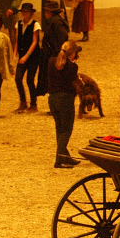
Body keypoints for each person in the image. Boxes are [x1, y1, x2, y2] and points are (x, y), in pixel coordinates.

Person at [48, 40, 83, 168]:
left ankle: (66, 156)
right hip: (65, 100)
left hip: (52, 99)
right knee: (66, 130)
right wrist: (73, 62)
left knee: (59, 128)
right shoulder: (72, 67)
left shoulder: (51, 61)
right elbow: (73, 81)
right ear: (72, 53)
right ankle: (59, 159)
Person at [37, 1, 70, 99]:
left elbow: (64, 36)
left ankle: (55, 104)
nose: (45, 13)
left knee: (53, 80)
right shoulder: (54, 21)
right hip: (50, 53)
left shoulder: (56, 22)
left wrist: (56, 51)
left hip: (53, 54)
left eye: (47, 11)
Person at [15, 3, 41, 113]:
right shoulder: (19, 24)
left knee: (30, 80)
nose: (25, 13)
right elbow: (17, 40)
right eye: (23, 11)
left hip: (33, 56)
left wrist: (27, 56)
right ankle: (23, 102)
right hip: (22, 55)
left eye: (27, 11)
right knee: (18, 79)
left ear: (31, 13)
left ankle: (34, 103)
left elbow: (35, 42)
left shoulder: (35, 25)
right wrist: (14, 53)